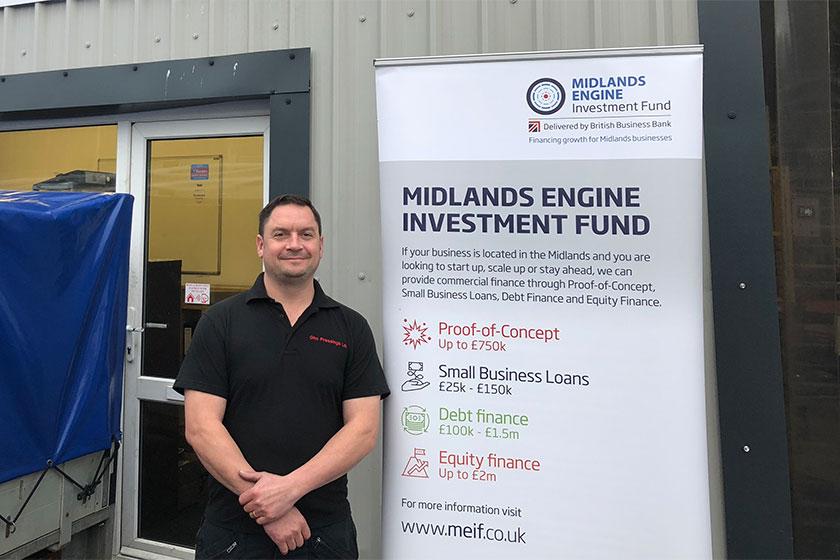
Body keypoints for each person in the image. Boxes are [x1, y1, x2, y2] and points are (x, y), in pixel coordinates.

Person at [174, 194, 390, 559]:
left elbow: (363, 431)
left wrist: (288, 491)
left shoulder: (351, 327)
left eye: (306, 234)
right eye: (281, 234)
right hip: (234, 534)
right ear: (261, 245)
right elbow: (200, 427)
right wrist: (266, 509)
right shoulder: (221, 322)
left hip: (323, 532)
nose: (294, 244)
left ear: (321, 246)